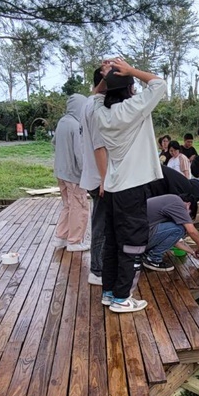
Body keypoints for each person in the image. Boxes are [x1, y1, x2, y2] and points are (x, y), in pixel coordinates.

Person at [94, 59, 166, 313]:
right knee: (132, 244)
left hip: (113, 187)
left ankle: (110, 292)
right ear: (129, 89)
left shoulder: (101, 112)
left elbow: (95, 95)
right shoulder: (133, 107)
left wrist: (107, 76)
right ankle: (123, 298)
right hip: (132, 187)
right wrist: (130, 70)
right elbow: (159, 84)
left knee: (113, 242)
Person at [80, 69, 108, 286]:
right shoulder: (98, 108)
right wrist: (105, 179)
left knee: (101, 222)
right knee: (100, 225)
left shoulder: (88, 103)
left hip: (92, 175)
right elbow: (100, 148)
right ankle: (97, 270)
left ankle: (100, 265)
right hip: (100, 178)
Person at [53, 94, 90, 251]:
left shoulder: (62, 122)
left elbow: (53, 142)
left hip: (61, 172)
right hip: (74, 175)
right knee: (80, 206)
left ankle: (61, 238)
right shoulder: (76, 125)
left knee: (68, 206)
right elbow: (80, 154)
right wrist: (86, 172)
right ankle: (75, 241)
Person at [143, 194, 199, 271]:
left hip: (134, 240)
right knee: (181, 228)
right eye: (188, 215)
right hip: (139, 238)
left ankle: (149, 254)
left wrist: (192, 252)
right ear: (188, 205)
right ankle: (154, 260)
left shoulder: (169, 202)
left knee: (179, 229)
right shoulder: (177, 203)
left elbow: (172, 241)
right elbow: (191, 231)